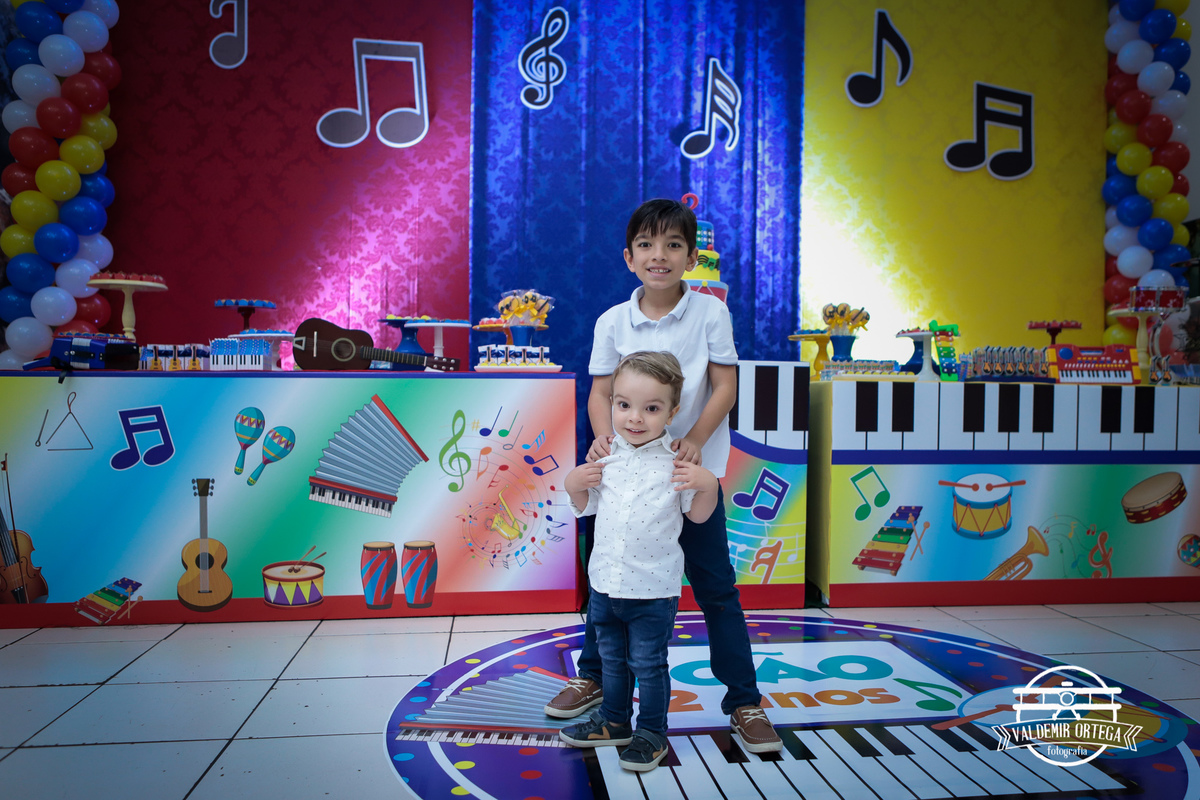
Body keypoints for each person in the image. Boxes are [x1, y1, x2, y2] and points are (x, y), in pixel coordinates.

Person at [546, 197, 783, 754]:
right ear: (629, 257)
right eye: (647, 245)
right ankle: (595, 677)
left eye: (673, 245)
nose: (660, 255)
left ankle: (744, 700)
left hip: (686, 474)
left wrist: (694, 440)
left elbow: (724, 386)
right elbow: (601, 393)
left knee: (715, 586)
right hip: (623, 476)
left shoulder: (710, 314)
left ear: (691, 257)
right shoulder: (612, 321)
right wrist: (604, 442)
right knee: (608, 576)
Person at [559, 350, 719, 772]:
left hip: (652, 590)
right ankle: (614, 721)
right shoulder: (605, 459)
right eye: (624, 405)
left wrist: (708, 486)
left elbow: (697, 516)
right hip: (605, 585)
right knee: (611, 662)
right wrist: (573, 484)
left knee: (648, 666)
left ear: (672, 412)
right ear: (612, 402)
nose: (634, 418)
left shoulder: (677, 464)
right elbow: (586, 507)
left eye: (651, 409)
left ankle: (651, 732)